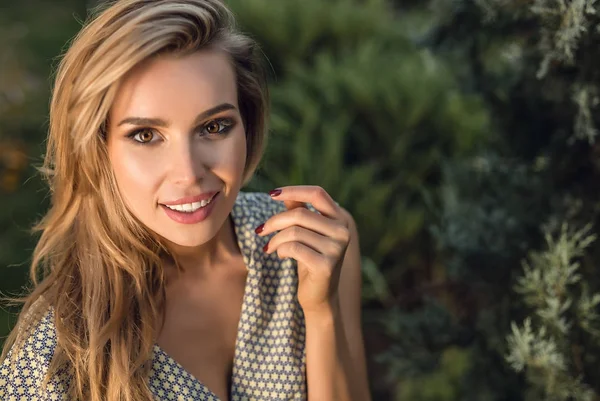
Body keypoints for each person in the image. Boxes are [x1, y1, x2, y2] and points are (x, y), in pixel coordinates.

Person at [0, 0, 370, 400]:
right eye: (145, 135)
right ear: (97, 147)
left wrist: (320, 314)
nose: (189, 173)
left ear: (248, 124)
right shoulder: (52, 361)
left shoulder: (316, 245)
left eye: (214, 127)